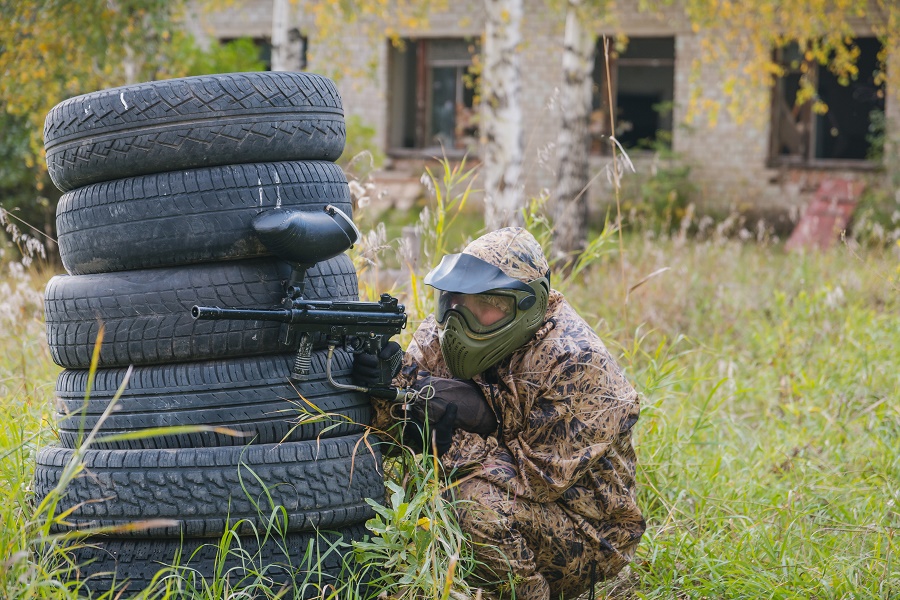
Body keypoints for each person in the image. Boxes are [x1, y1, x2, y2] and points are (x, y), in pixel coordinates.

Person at [353, 227, 645, 600]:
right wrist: (382, 387)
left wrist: (440, 444)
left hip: (587, 532)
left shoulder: (577, 362)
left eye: (486, 304)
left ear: (529, 305)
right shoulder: (443, 332)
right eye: (456, 299)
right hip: (520, 503)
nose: (462, 317)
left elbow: (536, 480)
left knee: (471, 503)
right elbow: (392, 429)